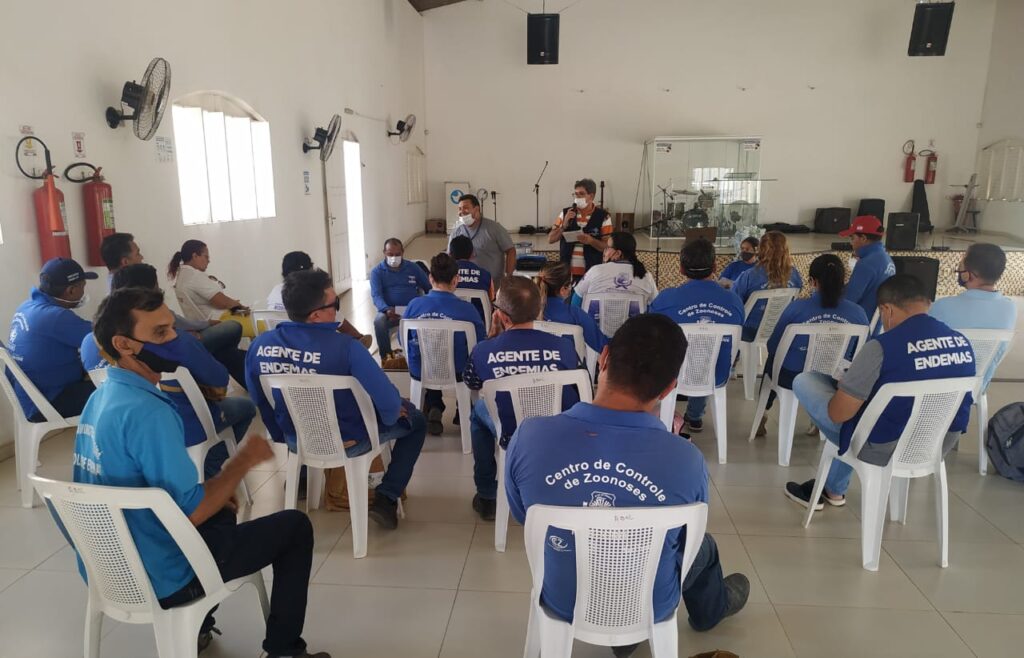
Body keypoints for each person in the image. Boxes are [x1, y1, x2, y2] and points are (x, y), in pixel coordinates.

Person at [76, 286, 329, 658]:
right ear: (124, 344)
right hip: (163, 575)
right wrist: (241, 462)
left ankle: (199, 626)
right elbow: (192, 512)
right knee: (294, 526)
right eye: (160, 333)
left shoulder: (99, 399)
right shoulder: (149, 411)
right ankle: (285, 649)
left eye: (172, 328)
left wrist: (218, 492)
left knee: (222, 509)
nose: (174, 340)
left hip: (110, 569)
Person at [505, 314, 749, 652]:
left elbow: (525, 517)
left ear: (604, 358)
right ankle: (706, 613)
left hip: (563, 598)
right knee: (703, 546)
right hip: (649, 603)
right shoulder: (687, 459)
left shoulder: (529, 436)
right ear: (669, 388)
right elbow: (685, 544)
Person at [246, 268, 426, 530]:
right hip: (349, 440)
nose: (338, 312)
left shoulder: (259, 346)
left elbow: (260, 398)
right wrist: (392, 413)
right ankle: (387, 497)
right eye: (334, 305)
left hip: (297, 438)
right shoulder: (347, 347)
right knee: (416, 421)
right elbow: (388, 402)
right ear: (316, 315)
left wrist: (282, 435)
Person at [784, 274, 975, 510]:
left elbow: (838, 415)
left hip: (882, 447)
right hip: (935, 445)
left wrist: (849, 387)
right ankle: (833, 489)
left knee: (806, 382)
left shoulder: (881, 347)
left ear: (887, 309)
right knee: (867, 407)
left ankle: (832, 486)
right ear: (928, 303)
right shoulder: (962, 344)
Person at [82, 263, 257, 478]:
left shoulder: (90, 345)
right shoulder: (179, 345)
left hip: (129, 428)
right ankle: (208, 469)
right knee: (246, 407)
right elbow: (219, 382)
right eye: (162, 332)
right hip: (187, 426)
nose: (172, 336)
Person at [462, 276, 580, 520]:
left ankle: (487, 495)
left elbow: (471, 381)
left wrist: (492, 339)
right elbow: (581, 388)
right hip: (558, 430)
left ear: (502, 317)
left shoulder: (484, 350)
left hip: (511, 431)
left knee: (478, 415)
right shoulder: (564, 347)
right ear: (539, 311)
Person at [756, 254, 868, 437]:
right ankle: (817, 419)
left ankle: (763, 412)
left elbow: (773, 345)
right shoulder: (858, 313)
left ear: (813, 282)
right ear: (843, 282)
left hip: (793, 377)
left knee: (772, 362)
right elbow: (861, 353)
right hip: (835, 379)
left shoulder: (796, 309)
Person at [650, 238, 744, 434]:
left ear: (681, 269)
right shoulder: (734, 301)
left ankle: (664, 414)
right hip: (717, 374)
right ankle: (694, 416)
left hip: (673, 373)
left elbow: (650, 333)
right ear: (715, 267)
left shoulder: (666, 299)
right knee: (707, 356)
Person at [403, 253, 486, 436]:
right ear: (456, 280)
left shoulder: (414, 305)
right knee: (458, 357)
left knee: (431, 355)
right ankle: (463, 410)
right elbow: (479, 344)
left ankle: (434, 406)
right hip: (458, 371)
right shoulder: (467, 309)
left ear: (430, 278)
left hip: (421, 370)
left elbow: (404, 341)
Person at [7, 258, 97, 420]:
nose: (84, 292)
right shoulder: (56, 317)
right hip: (48, 402)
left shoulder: (25, 307)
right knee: (120, 392)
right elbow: (103, 337)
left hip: (29, 399)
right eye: (82, 286)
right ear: (71, 290)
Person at [929, 242, 1018, 390]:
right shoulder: (1010, 308)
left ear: (968, 274)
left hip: (941, 388)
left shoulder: (941, 307)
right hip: (977, 388)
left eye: (962, 262)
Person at [268, 251, 371, 347]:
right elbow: (338, 321)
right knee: (329, 310)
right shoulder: (312, 294)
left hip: (280, 343)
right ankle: (359, 339)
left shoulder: (275, 291)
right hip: (313, 346)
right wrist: (359, 339)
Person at [168, 239, 255, 338]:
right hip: (218, 322)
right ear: (195, 256)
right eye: (206, 257)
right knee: (262, 324)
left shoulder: (182, 275)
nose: (208, 261)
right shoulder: (194, 276)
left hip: (201, 326)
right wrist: (239, 305)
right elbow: (222, 303)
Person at [732, 230, 803, 341]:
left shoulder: (749, 276)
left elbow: (734, 303)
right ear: (786, 250)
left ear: (760, 250)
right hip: (781, 331)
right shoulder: (794, 275)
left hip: (750, 333)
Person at [369, 238, 431, 357]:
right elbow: (376, 295)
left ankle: (420, 354)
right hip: (389, 311)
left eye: (397, 254)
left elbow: (428, 287)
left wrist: (424, 305)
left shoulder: (413, 268)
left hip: (412, 310)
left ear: (403, 252)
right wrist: (386, 309)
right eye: (390, 254)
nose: (394, 257)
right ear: (384, 253)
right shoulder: (377, 272)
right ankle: (386, 357)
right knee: (379, 322)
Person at [572, 231, 658, 312]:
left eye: (607, 247)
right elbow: (655, 306)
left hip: (595, 323)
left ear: (617, 253)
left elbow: (576, 302)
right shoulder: (646, 276)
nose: (605, 251)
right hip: (634, 323)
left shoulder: (595, 271)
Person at [536, 262, 606, 355]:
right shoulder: (575, 314)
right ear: (563, 290)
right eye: (571, 284)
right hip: (569, 363)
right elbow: (603, 346)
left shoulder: (527, 313)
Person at [548, 178, 613, 278]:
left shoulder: (604, 217)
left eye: (581, 194)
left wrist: (591, 241)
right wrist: (564, 226)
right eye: (575, 194)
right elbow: (550, 239)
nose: (577, 197)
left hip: (592, 273)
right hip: (567, 272)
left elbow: (607, 247)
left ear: (591, 196)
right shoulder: (565, 213)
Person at [447, 194, 516, 284]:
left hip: (493, 284)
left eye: (465, 208)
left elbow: (511, 251)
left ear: (476, 209)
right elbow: (450, 256)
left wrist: (508, 276)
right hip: (464, 284)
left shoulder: (494, 228)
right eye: (459, 209)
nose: (461, 211)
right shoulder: (456, 232)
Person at [839, 215, 895, 322]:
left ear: (863, 238)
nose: (851, 243)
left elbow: (848, 301)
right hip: (878, 324)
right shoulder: (887, 259)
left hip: (860, 324)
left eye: (852, 238)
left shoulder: (866, 264)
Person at [449, 235, 495, 322]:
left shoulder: (444, 275)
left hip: (451, 324)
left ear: (450, 254)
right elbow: (491, 301)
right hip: (479, 324)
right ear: (472, 254)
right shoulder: (486, 275)